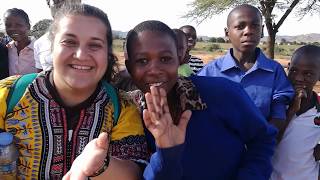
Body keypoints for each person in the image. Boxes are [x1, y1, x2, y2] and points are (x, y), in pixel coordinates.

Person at [68, 20, 277, 180]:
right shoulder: (128, 114)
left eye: (165, 59)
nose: (155, 69)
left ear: (179, 59)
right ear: (129, 67)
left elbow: (263, 138)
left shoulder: (222, 93)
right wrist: (167, 152)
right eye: (142, 61)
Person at [0, 4, 148, 179]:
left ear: (107, 53)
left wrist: (100, 164)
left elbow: (134, 172)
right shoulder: (9, 94)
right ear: (51, 47)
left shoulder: (121, 107)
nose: (80, 54)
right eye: (69, 42)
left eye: (94, 45)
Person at [198, 4, 294, 134]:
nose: (248, 31)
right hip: (218, 150)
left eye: (255, 25)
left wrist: (258, 144)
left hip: (259, 150)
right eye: (240, 26)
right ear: (227, 33)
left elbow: (278, 116)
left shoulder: (274, 71)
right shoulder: (209, 72)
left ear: (262, 31)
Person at [270, 45, 320, 180]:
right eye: (294, 70)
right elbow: (269, 143)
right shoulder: (276, 103)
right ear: (288, 67)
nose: (298, 78)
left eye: (308, 74)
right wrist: (291, 111)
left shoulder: (318, 108)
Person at [34, 0, 81, 72]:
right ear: (49, 4)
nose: (63, 4)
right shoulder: (39, 43)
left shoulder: (99, 36)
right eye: (57, 1)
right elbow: (40, 78)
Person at [4, 8, 37, 76]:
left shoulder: (39, 50)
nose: (13, 28)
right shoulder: (6, 49)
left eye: (18, 25)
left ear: (28, 26)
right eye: (8, 25)